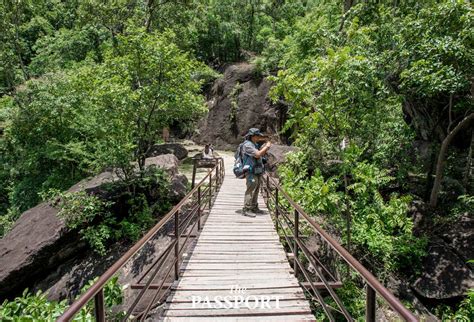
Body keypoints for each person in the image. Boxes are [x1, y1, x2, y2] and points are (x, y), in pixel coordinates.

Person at [241, 128, 271, 217]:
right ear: (252, 136)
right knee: (251, 189)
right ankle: (246, 209)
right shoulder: (247, 145)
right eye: (257, 136)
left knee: (257, 189)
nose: (259, 137)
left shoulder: (254, 144)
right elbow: (258, 154)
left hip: (256, 170)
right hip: (250, 171)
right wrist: (267, 146)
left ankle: (254, 207)